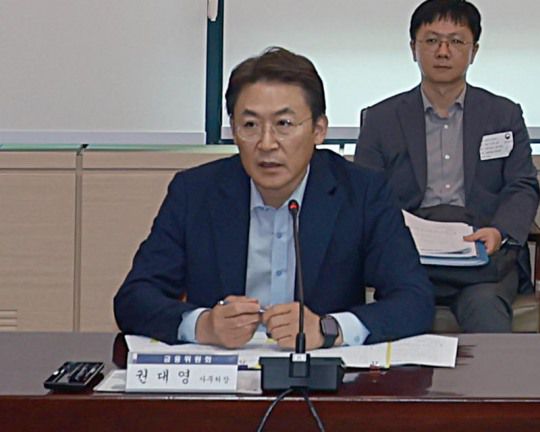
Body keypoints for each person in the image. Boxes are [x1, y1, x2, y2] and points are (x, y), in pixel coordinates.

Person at [114, 47, 434, 349]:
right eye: (250, 125)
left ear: (319, 130)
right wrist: (203, 325)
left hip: (319, 375)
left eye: (284, 124)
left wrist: (329, 328)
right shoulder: (195, 192)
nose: (267, 143)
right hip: (224, 375)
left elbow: (415, 300)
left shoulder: (362, 193)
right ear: (233, 130)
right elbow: (134, 298)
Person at [355, 0, 540, 332]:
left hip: (483, 257)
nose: (443, 51)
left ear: (474, 50)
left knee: (485, 308)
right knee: (403, 313)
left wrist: (499, 231)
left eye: (456, 41)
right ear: (413, 48)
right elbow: (365, 193)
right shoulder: (381, 119)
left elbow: (522, 185)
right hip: (410, 257)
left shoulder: (503, 114)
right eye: (431, 40)